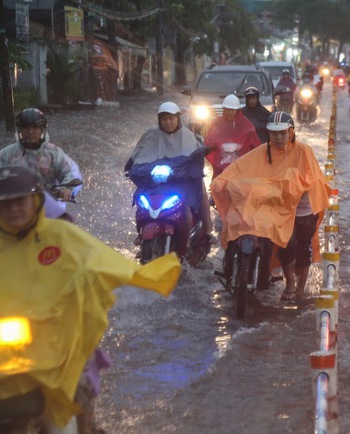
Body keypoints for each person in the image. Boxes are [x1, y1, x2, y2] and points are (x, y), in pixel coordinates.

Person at [0, 165, 180, 433]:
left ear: (36, 200)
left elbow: (99, 260)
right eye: (5, 203)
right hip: (12, 341)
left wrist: (148, 276)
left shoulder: (61, 235)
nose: (13, 209)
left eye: (20, 201)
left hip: (60, 333)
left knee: (78, 385)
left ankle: (88, 427)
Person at [211, 111, 329, 301]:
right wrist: (221, 182)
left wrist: (290, 182)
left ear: (291, 132)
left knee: (302, 250)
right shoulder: (261, 152)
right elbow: (239, 169)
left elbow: (311, 178)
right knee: (285, 244)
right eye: (275, 134)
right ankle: (290, 282)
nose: (279, 137)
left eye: (283, 133)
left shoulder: (303, 151)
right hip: (277, 209)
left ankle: (300, 290)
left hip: (302, 209)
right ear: (268, 134)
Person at [126, 101, 212, 239]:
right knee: (141, 202)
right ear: (159, 120)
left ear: (178, 118)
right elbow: (140, 154)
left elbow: (197, 156)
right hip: (158, 180)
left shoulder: (188, 135)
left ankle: (207, 232)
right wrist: (134, 168)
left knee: (200, 191)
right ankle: (141, 232)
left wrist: (190, 171)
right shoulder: (152, 134)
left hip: (183, 179)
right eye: (164, 119)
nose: (168, 122)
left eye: (171, 118)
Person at [0, 107, 82, 211]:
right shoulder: (7, 154)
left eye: (35, 127)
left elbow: (71, 172)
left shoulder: (54, 153)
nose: (30, 132)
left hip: (49, 207)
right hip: (16, 208)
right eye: (26, 128)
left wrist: (67, 189)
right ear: (20, 130)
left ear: (42, 130)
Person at [204, 94, 261, 178]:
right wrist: (220, 146)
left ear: (237, 110)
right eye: (228, 110)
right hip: (221, 164)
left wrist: (240, 146)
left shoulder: (244, 123)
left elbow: (251, 137)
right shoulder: (217, 123)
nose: (230, 113)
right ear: (224, 110)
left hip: (240, 164)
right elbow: (210, 140)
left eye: (232, 110)